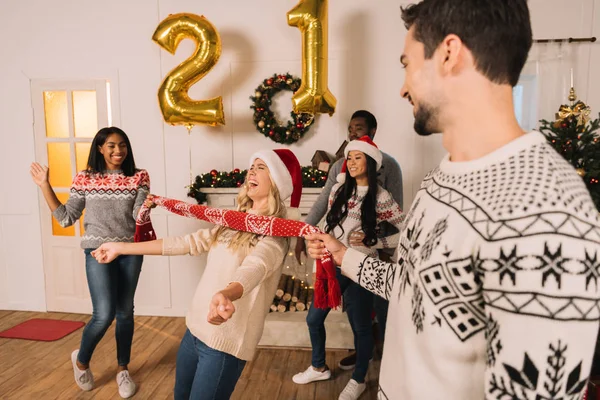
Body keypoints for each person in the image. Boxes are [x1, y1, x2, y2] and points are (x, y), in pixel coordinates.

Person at [304, 1, 600, 399]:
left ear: (449, 53)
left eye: (407, 64)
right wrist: (342, 254)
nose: (403, 87)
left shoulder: (548, 212)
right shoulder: (437, 182)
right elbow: (413, 287)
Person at [93, 149, 302, 400]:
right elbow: (186, 242)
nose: (252, 171)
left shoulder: (276, 234)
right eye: (252, 166)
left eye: (262, 167)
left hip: (223, 345)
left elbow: (256, 267)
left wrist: (227, 293)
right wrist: (121, 248)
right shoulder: (232, 220)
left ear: (277, 182)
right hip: (194, 331)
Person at [30, 127, 149, 398]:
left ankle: (123, 370)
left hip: (129, 250)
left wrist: (147, 205)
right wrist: (44, 185)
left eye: (123, 145)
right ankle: (82, 360)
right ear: (99, 148)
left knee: (125, 313)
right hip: (97, 251)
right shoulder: (85, 178)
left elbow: (136, 216)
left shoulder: (139, 176)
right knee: (103, 314)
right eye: (111, 146)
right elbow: (65, 218)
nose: (118, 151)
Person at [292, 136, 404, 400]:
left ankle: (359, 379)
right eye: (349, 157)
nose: (351, 162)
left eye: (357, 157)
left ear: (371, 162)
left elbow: (408, 229)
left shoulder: (382, 197)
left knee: (361, 326)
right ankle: (318, 366)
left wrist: (377, 241)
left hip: (362, 267)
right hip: (334, 266)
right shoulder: (338, 190)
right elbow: (331, 227)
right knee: (313, 318)